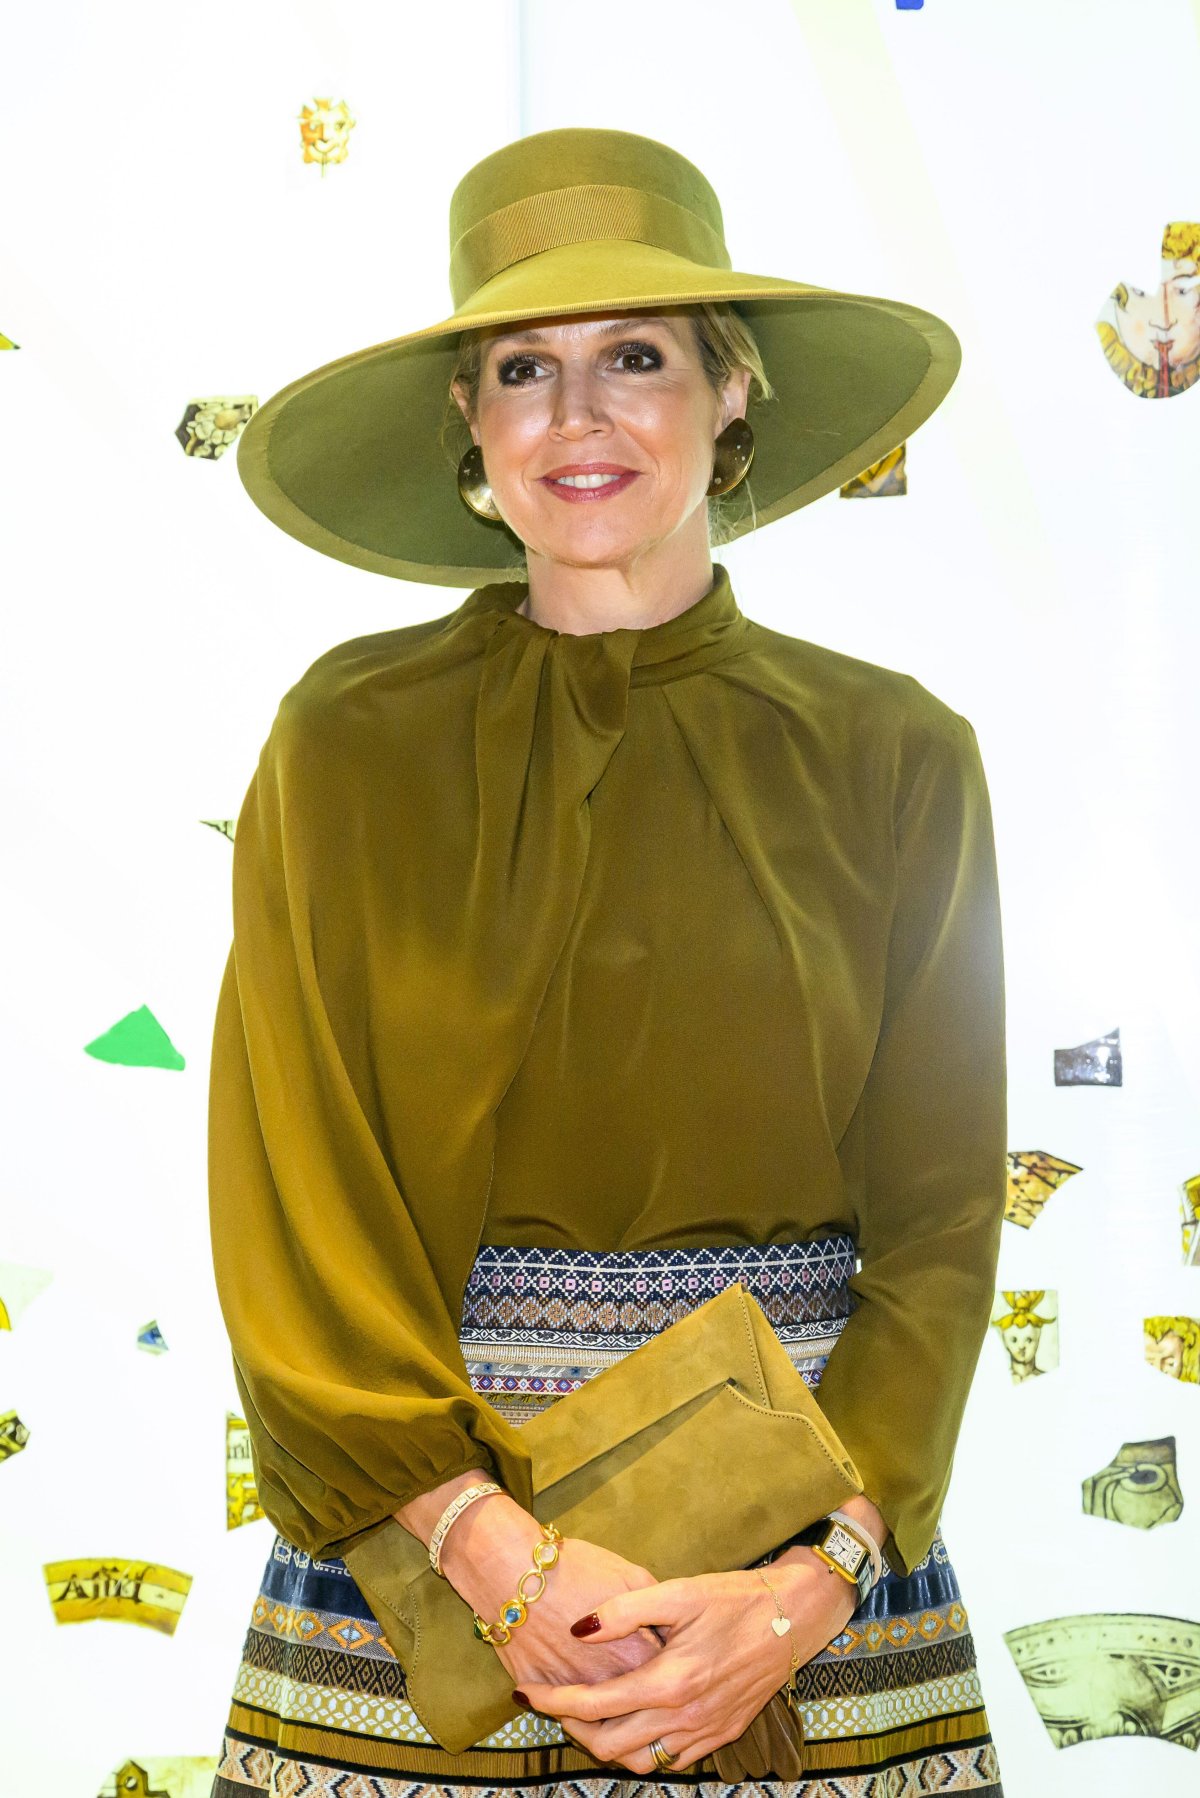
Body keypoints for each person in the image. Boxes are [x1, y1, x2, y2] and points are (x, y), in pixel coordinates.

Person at [206, 126, 1008, 1794]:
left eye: (637, 356)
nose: (579, 416)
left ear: (731, 399)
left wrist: (816, 1577)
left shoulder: (899, 753)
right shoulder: (344, 742)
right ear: (472, 427)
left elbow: (937, 1226)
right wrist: (492, 1547)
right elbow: (295, 1192)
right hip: (417, 1554)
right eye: (524, 368)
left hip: (797, 1566)